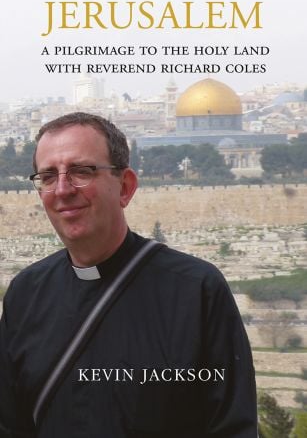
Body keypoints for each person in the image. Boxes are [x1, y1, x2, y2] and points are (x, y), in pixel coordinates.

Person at [0, 112, 257, 438]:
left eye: (82, 171)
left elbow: (232, 428)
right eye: (48, 176)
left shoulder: (196, 291)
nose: (62, 189)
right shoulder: (26, 293)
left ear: (125, 187)